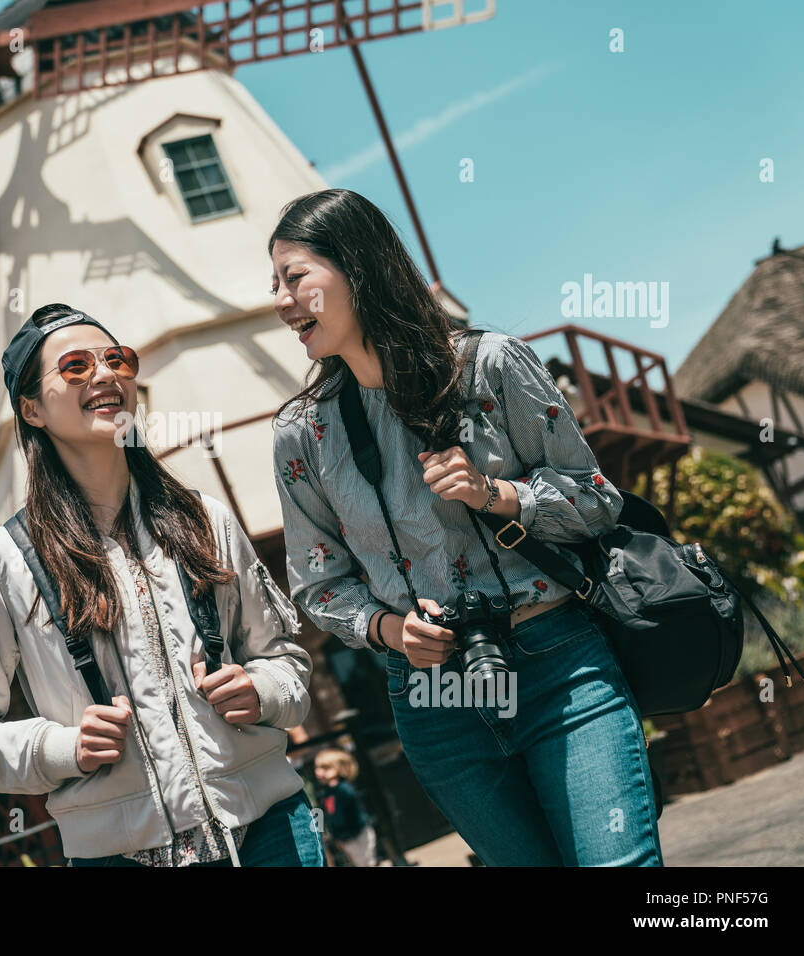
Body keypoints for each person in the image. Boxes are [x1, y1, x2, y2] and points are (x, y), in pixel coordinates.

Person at [267, 189, 663, 866]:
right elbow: (316, 582)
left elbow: (598, 499)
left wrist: (499, 494)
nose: (279, 300)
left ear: (357, 267)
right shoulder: (302, 433)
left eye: (294, 277)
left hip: (557, 663)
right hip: (432, 697)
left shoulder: (492, 364)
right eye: (272, 284)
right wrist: (390, 631)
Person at [0, 303, 324, 867]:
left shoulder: (205, 519)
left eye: (117, 359)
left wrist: (263, 691)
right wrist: (60, 748)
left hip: (270, 835)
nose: (106, 375)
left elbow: (285, 662)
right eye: (76, 367)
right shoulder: (0, 562)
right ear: (31, 409)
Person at [313, 748, 378, 867]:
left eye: (325, 768)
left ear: (337, 769)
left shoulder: (343, 789)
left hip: (359, 832)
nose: (318, 772)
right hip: (346, 837)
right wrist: (337, 836)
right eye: (318, 768)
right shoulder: (326, 793)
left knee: (367, 862)